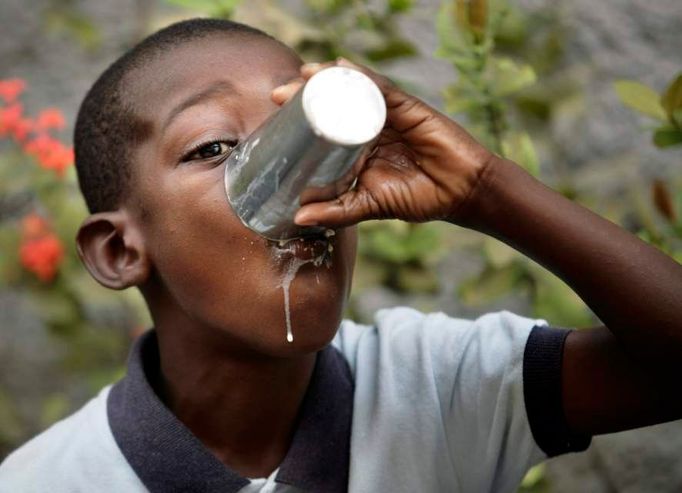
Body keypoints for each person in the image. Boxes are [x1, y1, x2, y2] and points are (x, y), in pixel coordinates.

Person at [1, 17, 681, 493]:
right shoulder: (47, 482)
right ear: (120, 249)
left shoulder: (438, 388)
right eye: (214, 149)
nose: (297, 180)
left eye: (304, 140)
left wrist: (486, 189)